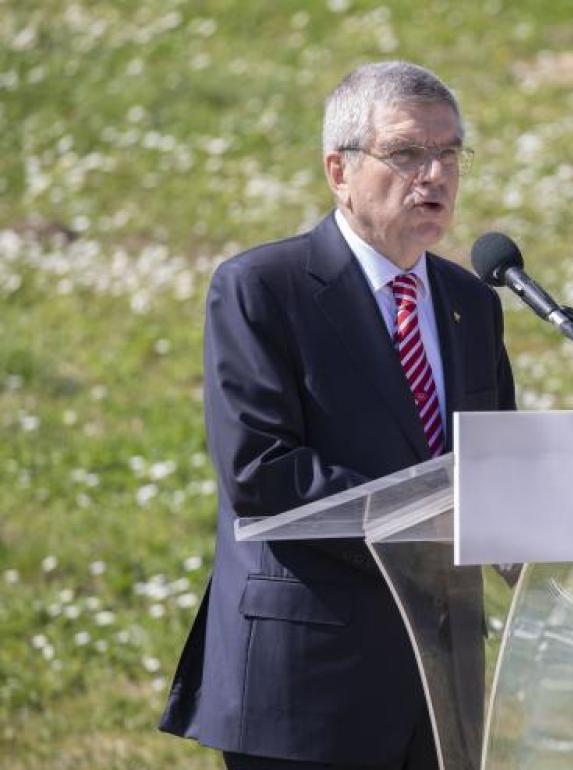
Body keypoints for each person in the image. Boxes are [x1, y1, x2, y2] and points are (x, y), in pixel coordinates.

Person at [159, 61, 516, 769]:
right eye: (408, 153)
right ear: (338, 171)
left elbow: (494, 464)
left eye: (449, 154)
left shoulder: (473, 303)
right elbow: (261, 470)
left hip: (444, 685)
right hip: (308, 682)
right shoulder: (263, 289)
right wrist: (427, 528)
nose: (435, 175)